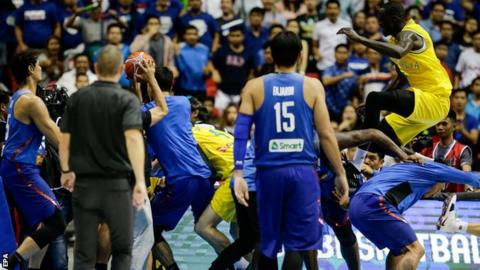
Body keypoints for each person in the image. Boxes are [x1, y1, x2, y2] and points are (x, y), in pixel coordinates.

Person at [232, 31, 349, 270]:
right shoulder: (312, 86)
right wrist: (340, 173)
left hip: (269, 173)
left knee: (268, 240)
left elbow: (241, 131)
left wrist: (238, 172)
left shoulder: (254, 86)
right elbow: (326, 135)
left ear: (271, 55)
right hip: (303, 173)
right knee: (298, 241)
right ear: (300, 55)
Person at [59, 45, 147, 270]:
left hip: (84, 184)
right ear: (120, 69)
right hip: (117, 185)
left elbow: (65, 139)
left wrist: (66, 170)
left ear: (96, 68)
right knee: (122, 249)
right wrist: (139, 181)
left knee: (83, 253)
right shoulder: (127, 100)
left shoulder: (77, 98)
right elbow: (134, 140)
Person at [338, 1, 452, 146]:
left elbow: (399, 52)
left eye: (382, 21)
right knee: (379, 141)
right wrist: (374, 106)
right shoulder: (394, 42)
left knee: (374, 97)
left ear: (394, 19)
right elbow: (401, 78)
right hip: (423, 106)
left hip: (435, 99)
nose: (380, 25)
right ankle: (407, 158)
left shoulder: (411, 32)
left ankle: (357, 162)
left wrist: (360, 38)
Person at [349, 161, 480, 270]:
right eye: (441, 188)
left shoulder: (406, 173)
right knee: (415, 249)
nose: (439, 192)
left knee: (398, 250)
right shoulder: (433, 170)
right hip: (374, 203)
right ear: (442, 180)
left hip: (355, 207)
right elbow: (471, 178)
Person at [144, 67, 213, 270]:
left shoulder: (148, 111)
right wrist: (148, 82)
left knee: (150, 232)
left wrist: (145, 80)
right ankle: (239, 264)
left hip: (183, 180)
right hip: (204, 177)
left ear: (151, 86)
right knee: (207, 228)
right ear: (172, 84)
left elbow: (146, 110)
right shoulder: (184, 102)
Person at [2, 51, 65, 270]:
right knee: (56, 221)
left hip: (17, 167)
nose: (41, 68)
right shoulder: (32, 101)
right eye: (38, 64)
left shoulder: (18, 96)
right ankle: (10, 264)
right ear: (30, 69)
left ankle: (17, 263)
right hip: (21, 169)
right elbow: (57, 138)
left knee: (35, 225)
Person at [420, 110, 473, 192]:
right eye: (438, 124)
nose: (440, 127)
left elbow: (467, 174)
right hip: (429, 201)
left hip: (454, 200)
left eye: (444, 124)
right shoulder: (427, 149)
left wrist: (469, 188)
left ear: (454, 126)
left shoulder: (462, 150)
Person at [212, 26, 255, 111]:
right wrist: (214, 72)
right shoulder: (222, 51)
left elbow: (251, 72)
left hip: (241, 93)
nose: (235, 38)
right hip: (222, 92)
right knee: (218, 118)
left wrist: (247, 88)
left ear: (243, 36)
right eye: (232, 35)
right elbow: (210, 62)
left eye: (238, 35)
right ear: (228, 37)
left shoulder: (249, 53)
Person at [312, 0, 351, 75]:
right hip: (324, 64)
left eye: (335, 8)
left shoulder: (347, 24)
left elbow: (352, 43)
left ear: (339, 10)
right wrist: (318, 54)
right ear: (326, 10)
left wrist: (348, 55)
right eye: (330, 8)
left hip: (342, 64)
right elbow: (314, 45)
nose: (332, 11)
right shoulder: (318, 25)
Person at [175, 25, 212, 100]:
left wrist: (208, 72)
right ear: (184, 36)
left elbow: (208, 68)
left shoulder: (205, 49)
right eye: (189, 34)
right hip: (182, 88)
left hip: (200, 89)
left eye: (194, 34)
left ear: (198, 35)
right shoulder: (178, 48)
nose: (192, 37)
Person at [322, 44, 357, 120]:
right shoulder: (329, 69)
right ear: (335, 54)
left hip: (346, 112)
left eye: (344, 53)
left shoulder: (351, 72)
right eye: (339, 52)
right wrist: (344, 76)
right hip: (329, 110)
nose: (341, 55)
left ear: (348, 54)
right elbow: (326, 81)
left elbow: (354, 93)